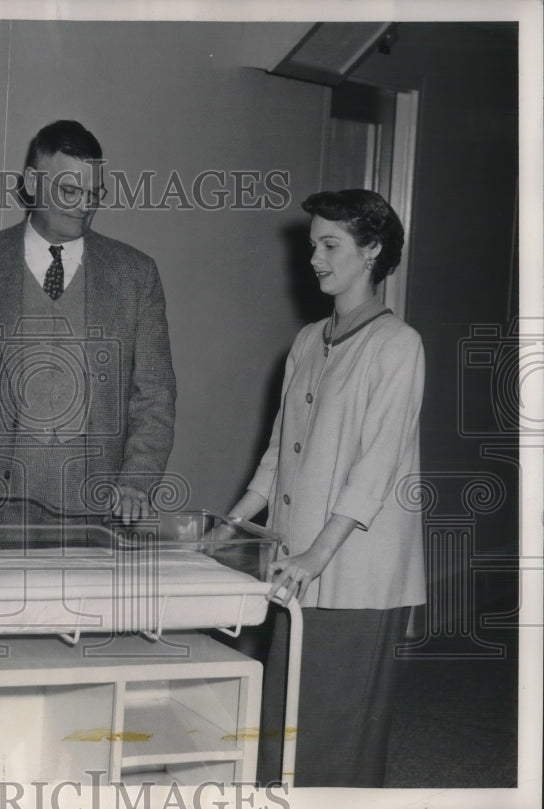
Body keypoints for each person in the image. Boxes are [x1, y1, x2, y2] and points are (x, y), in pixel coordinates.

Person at [223, 189, 425, 787]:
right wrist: (232, 525)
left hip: (353, 567)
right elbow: (278, 453)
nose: (314, 258)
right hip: (299, 561)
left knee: (334, 732)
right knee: (286, 720)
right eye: (313, 244)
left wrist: (317, 552)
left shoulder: (398, 346)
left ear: (372, 251)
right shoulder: (310, 340)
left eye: (330, 245)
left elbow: (377, 466)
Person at [0, 119, 175, 526]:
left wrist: (136, 482)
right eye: (70, 190)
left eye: (94, 193)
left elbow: (154, 396)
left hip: (93, 513)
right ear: (33, 182)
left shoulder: (135, 274)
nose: (83, 205)